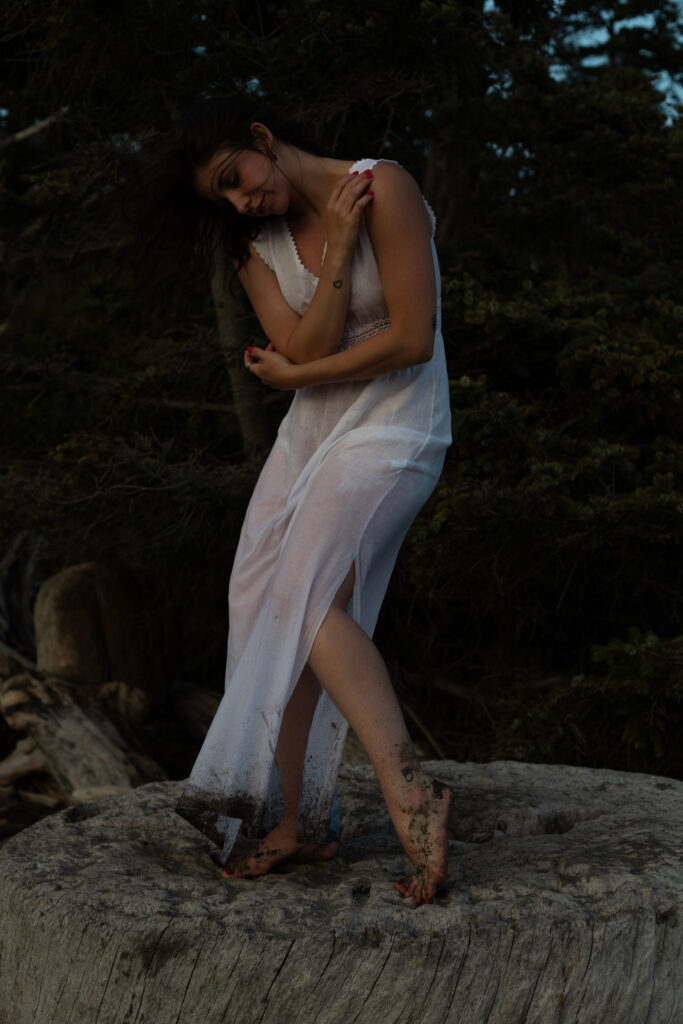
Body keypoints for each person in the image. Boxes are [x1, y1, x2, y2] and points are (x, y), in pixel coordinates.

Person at [130, 95, 453, 906]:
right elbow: (304, 339)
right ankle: (303, 817)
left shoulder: (385, 185)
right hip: (311, 436)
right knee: (257, 600)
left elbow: (411, 339)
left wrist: (297, 376)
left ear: (263, 140)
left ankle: (408, 789)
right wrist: (338, 245)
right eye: (225, 198)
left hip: (395, 425)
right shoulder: (254, 243)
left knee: (305, 596)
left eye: (237, 178)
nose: (241, 202)